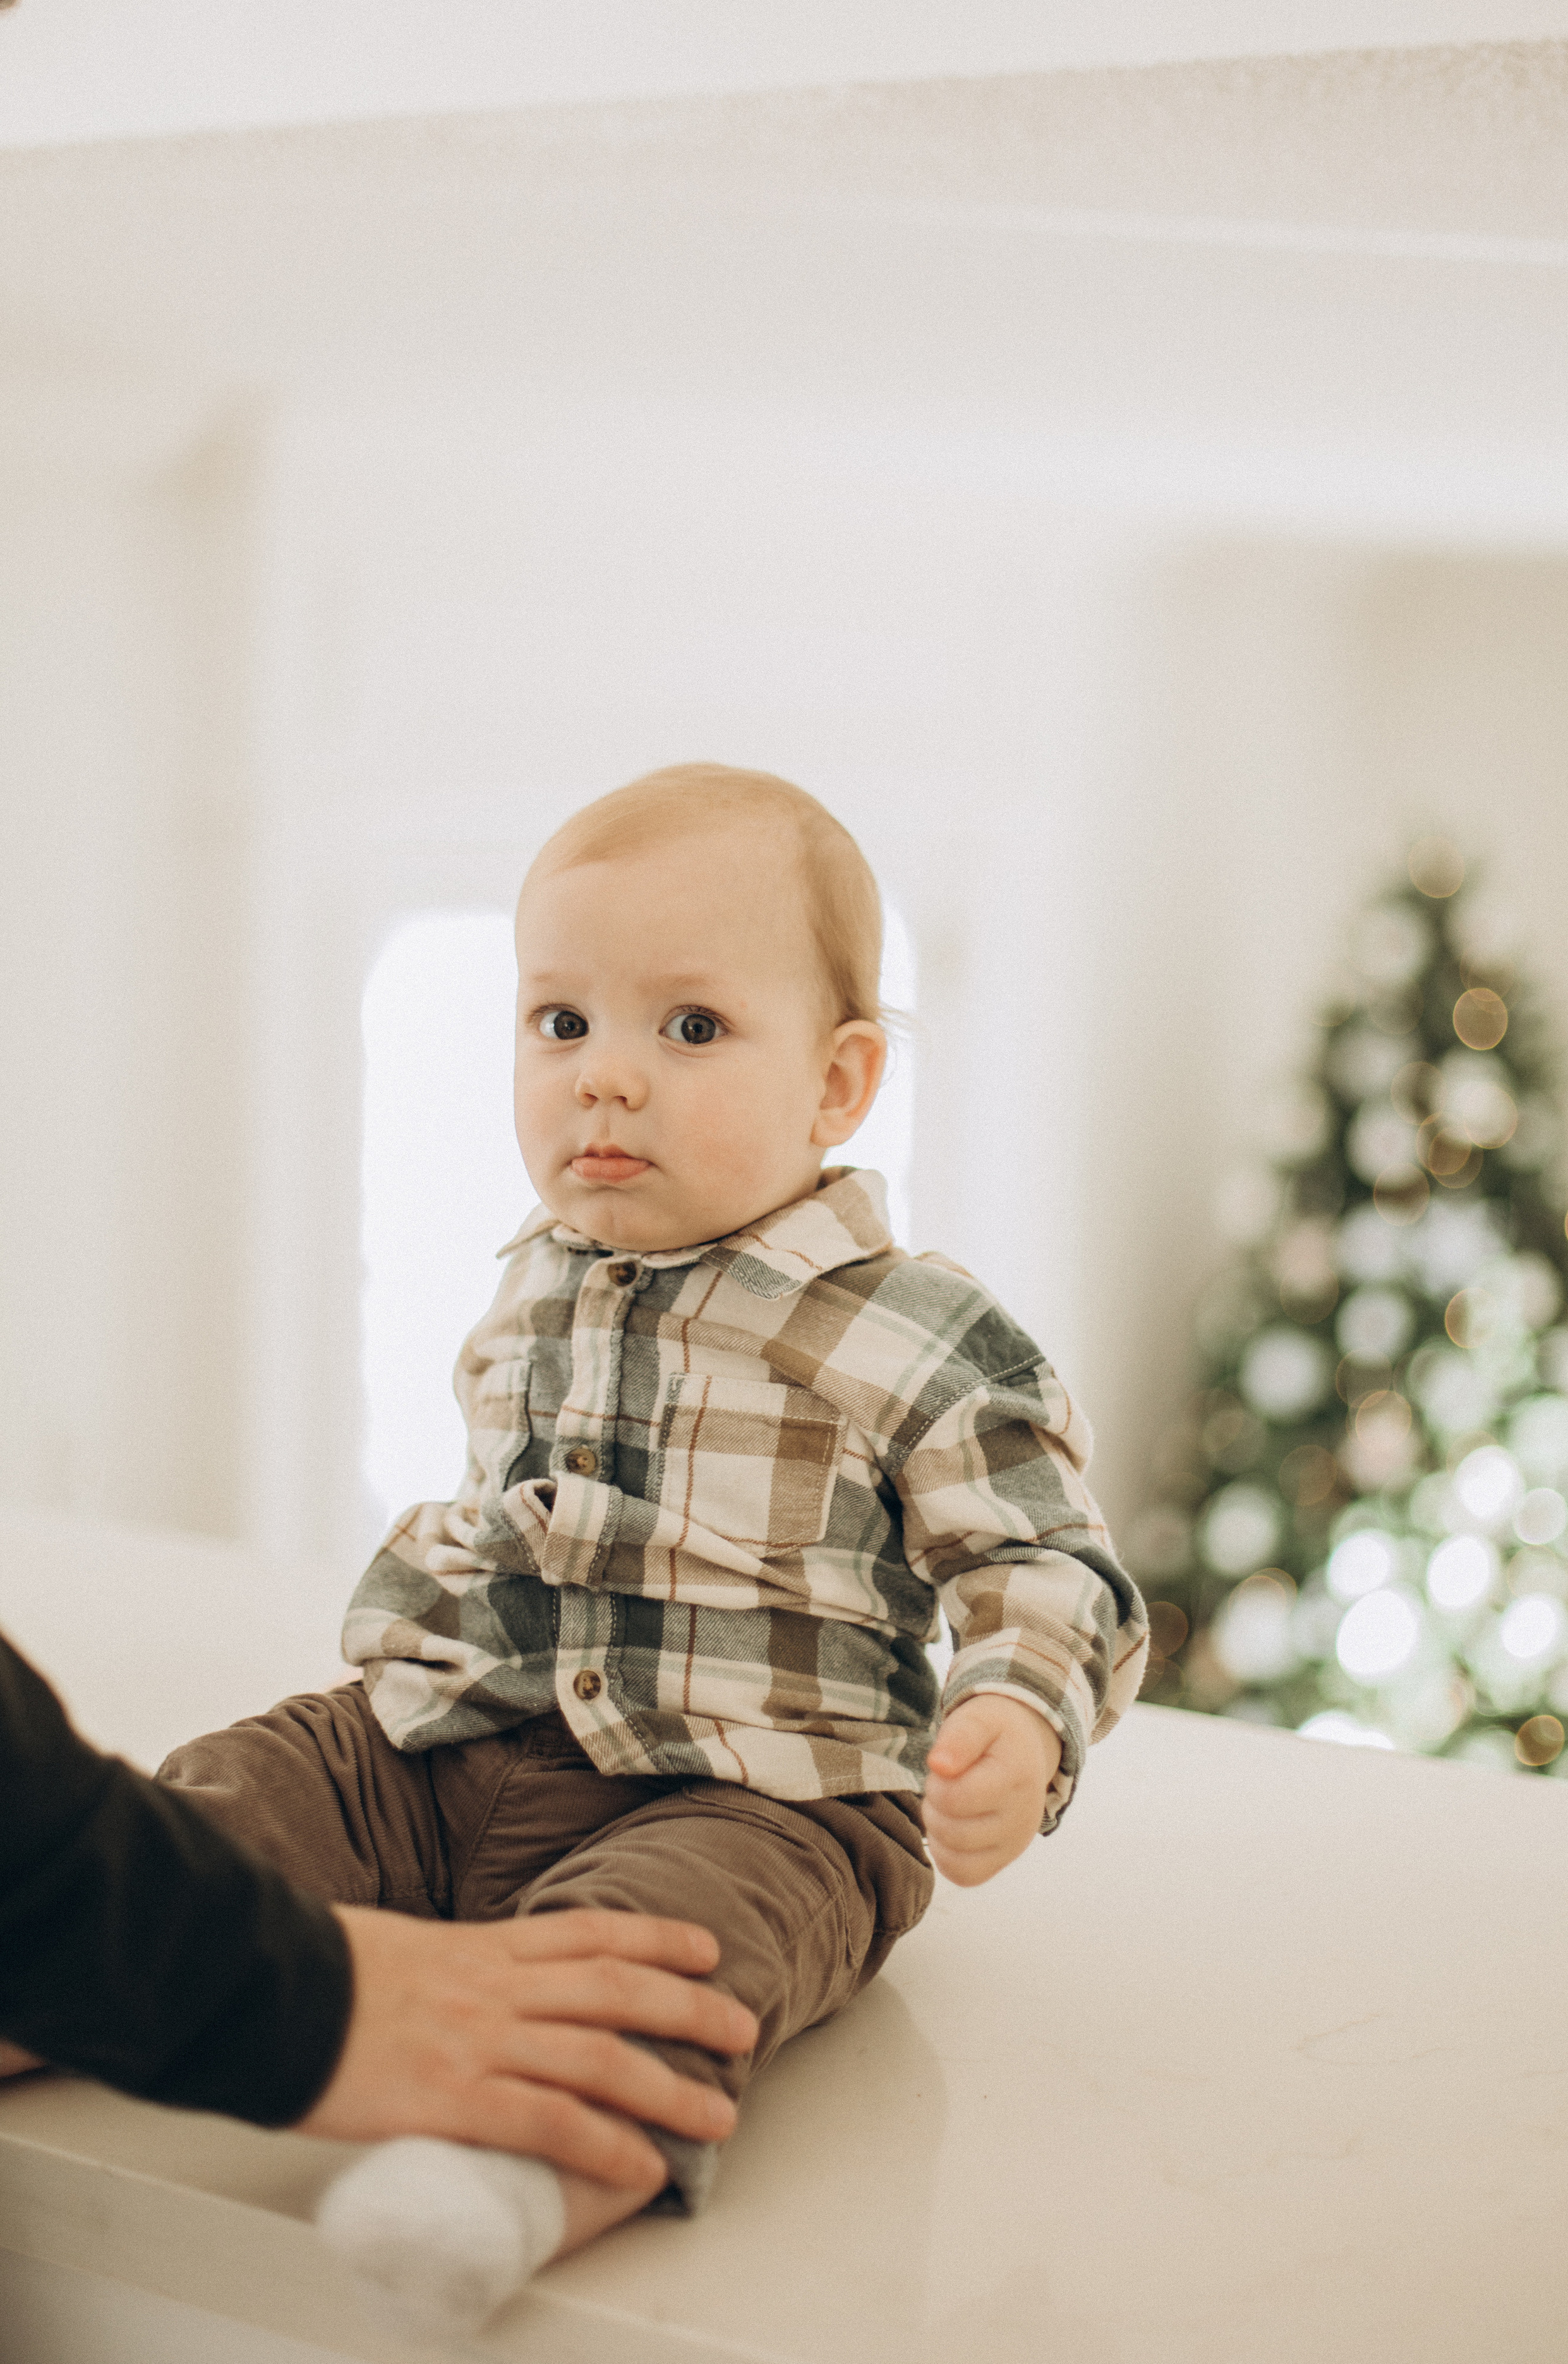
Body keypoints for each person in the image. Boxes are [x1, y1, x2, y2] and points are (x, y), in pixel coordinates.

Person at [157, 763, 1147, 2336]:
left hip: (763, 1795)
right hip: (468, 1735)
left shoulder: (906, 1326)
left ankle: (513, 2169)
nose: (602, 1079)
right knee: (245, 1788)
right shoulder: (538, 1277)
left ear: (837, 1085)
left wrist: (1016, 1713)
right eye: (560, 1022)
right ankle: (53, 1965)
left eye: (688, 1028)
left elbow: (1046, 1561)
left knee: (656, 1955)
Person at [0, 1630, 754, 2183]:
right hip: (445, 1727)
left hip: (737, 1776)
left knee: (657, 1951)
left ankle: (506, 2199)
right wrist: (299, 1991)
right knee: (237, 1794)